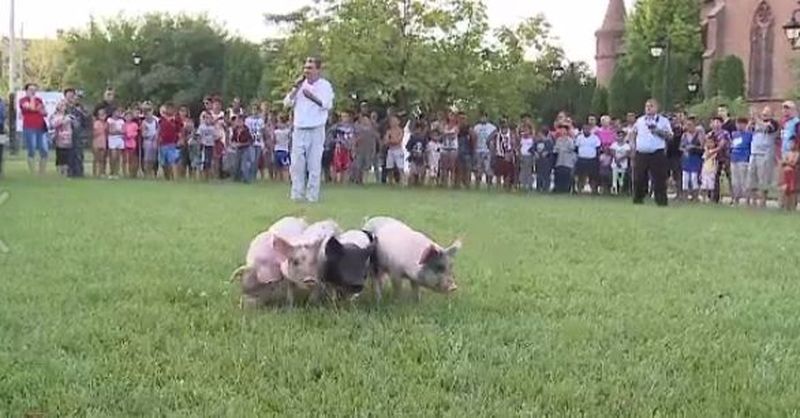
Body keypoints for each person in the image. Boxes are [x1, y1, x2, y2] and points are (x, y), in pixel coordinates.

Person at [283, 56, 334, 203]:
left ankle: (312, 196)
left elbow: (327, 105)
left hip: (316, 128)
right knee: (297, 164)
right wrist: (296, 88)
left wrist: (312, 97)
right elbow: (287, 103)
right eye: (305, 68)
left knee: (314, 164)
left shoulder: (325, 86)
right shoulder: (300, 85)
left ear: (318, 70)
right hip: (299, 128)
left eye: (310, 68)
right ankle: (297, 194)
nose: (307, 71)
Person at [632, 99, 673, 206]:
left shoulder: (663, 121)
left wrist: (658, 131)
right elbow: (633, 133)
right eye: (647, 106)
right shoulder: (640, 120)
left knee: (659, 178)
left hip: (656, 152)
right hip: (641, 152)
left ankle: (661, 201)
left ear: (656, 108)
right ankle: (638, 199)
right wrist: (633, 147)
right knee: (639, 177)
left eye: (651, 106)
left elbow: (670, 136)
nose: (648, 108)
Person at [749, 107, 780, 208]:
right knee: (752, 178)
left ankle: (763, 202)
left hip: (765, 154)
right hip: (754, 153)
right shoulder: (756, 122)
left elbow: (767, 128)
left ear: (771, 114)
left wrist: (756, 118)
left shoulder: (774, 123)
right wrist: (752, 120)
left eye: (766, 113)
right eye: (763, 113)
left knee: (764, 179)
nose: (764, 114)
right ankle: (753, 202)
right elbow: (749, 130)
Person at [20, 83, 49, 174]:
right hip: (29, 127)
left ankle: (42, 172)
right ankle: (32, 171)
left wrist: (39, 109)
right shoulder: (23, 100)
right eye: (31, 89)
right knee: (32, 149)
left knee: (44, 149)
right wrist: (34, 102)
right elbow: (31, 108)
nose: (33, 91)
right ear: (26, 91)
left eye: (34, 90)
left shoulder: (39, 100)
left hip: (41, 127)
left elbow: (45, 113)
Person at [63, 88, 88, 178]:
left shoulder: (79, 108)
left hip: (78, 133)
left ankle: (79, 172)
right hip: (66, 133)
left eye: (72, 96)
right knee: (69, 153)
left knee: (78, 153)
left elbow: (85, 120)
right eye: (68, 96)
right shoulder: (62, 107)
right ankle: (69, 172)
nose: (71, 98)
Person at [708, 116, 731, 204]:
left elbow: (722, 145)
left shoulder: (725, 133)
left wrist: (713, 151)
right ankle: (714, 197)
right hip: (713, 159)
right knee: (714, 177)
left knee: (729, 176)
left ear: (721, 124)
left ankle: (734, 197)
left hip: (724, 157)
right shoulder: (710, 134)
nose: (716, 124)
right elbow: (706, 144)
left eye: (718, 122)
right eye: (714, 122)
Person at [730, 117, 752, 206]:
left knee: (744, 181)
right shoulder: (734, 134)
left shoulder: (749, 135)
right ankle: (736, 199)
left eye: (741, 124)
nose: (739, 126)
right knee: (735, 181)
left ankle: (747, 200)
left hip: (743, 159)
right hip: (734, 158)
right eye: (738, 124)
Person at [680, 118, 703, 202]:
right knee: (685, 178)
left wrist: (694, 147)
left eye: (690, 125)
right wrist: (684, 150)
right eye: (687, 125)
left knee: (694, 177)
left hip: (695, 158)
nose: (688, 127)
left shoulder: (699, 135)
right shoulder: (684, 135)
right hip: (686, 158)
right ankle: (685, 196)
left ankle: (695, 196)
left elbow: (702, 147)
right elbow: (681, 147)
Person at [575, 123, 601, 194]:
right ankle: (579, 190)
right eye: (584, 129)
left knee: (593, 176)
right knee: (580, 176)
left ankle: (594, 191)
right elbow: (576, 148)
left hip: (592, 160)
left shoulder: (595, 138)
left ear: (590, 129)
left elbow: (598, 149)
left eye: (587, 129)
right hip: (581, 159)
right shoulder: (579, 137)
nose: (586, 130)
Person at [157, 104, 182, 180]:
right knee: (164, 163)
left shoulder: (176, 120)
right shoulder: (161, 120)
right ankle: (167, 178)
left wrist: (180, 139)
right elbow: (159, 130)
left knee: (172, 161)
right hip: (163, 144)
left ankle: (174, 178)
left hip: (172, 144)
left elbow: (179, 131)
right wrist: (158, 139)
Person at [353, 113, 379, 185]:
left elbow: (377, 138)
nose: (365, 121)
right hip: (360, 150)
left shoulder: (372, 130)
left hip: (369, 150)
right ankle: (358, 179)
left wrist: (374, 150)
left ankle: (365, 180)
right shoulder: (358, 129)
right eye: (364, 120)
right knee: (359, 165)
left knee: (367, 166)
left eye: (367, 120)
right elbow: (355, 140)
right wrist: (354, 148)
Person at [50, 101, 74, 177]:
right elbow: (53, 124)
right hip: (59, 137)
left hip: (68, 138)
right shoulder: (54, 116)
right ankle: (60, 171)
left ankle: (66, 172)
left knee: (67, 155)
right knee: (60, 154)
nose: (62, 107)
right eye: (60, 105)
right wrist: (62, 121)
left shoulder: (69, 116)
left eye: (63, 106)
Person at [473, 112, 496, 187]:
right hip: (478, 150)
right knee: (478, 168)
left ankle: (489, 184)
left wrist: (492, 148)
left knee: (487, 168)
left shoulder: (492, 127)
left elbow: (494, 137)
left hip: (487, 150)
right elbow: (474, 138)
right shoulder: (476, 127)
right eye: (482, 117)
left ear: (487, 117)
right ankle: (477, 184)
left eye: (484, 117)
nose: (483, 118)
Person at [230, 115, 255, 183]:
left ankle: (246, 179)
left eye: (240, 121)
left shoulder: (246, 130)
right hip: (238, 149)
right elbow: (233, 139)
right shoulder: (235, 130)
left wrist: (242, 144)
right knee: (237, 163)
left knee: (244, 164)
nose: (238, 123)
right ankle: (236, 178)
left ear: (243, 122)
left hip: (245, 149)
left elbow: (250, 141)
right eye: (238, 121)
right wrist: (233, 144)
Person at [332, 111, 355, 184]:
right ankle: (338, 181)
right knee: (338, 166)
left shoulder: (351, 128)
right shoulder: (336, 127)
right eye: (343, 116)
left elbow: (352, 138)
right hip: (339, 148)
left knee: (346, 166)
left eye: (346, 116)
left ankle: (344, 182)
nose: (344, 118)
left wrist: (352, 147)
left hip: (347, 149)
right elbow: (332, 137)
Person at [667, 112, 685, 200]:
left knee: (677, 175)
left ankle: (679, 193)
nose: (672, 122)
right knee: (665, 175)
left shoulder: (679, 130)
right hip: (667, 155)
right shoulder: (666, 130)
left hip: (676, 155)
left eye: (673, 120)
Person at [553, 124, 577, 194]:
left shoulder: (570, 140)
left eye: (564, 130)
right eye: (561, 130)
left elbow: (571, 148)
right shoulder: (558, 140)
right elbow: (555, 149)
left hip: (568, 161)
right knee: (559, 175)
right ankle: (559, 189)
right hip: (560, 161)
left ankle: (568, 189)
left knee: (567, 175)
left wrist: (562, 149)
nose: (562, 132)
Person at [384, 114, 405, 185]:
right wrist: (391, 141)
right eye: (391, 121)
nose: (392, 122)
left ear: (398, 122)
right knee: (389, 167)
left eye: (394, 120)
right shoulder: (389, 131)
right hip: (390, 150)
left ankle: (402, 182)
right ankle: (390, 182)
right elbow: (385, 141)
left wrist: (390, 141)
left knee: (400, 167)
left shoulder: (400, 131)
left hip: (398, 150)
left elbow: (398, 141)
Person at [196, 111, 218, 181]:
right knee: (204, 161)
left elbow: (215, 137)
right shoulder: (201, 127)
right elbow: (199, 136)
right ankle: (203, 177)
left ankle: (208, 177)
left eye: (209, 118)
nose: (208, 119)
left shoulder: (213, 128)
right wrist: (199, 145)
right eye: (206, 118)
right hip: (204, 146)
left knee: (209, 162)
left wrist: (215, 147)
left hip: (211, 146)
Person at [140, 102, 159, 178]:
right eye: (146, 111)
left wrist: (156, 137)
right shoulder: (144, 122)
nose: (148, 113)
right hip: (147, 141)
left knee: (154, 158)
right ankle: (147, 173)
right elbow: (143, 134)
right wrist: (148, 134)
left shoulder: (156, 120)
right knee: (147, 158)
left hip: (155, 141)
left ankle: (153, 173)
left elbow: (158, 130)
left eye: (149, 110)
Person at [533, 127, 554, 193]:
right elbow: (532, 149)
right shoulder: (537, 141)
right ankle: (539, 187)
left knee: (546, 175)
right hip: (539, 161)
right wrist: (535, 152)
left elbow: (552, 150)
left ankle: (546, 188)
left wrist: (547, 152)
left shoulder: (549, 142)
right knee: (539, 174)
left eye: (540, 133)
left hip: (546, 161)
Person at [405, 121, 427, 186]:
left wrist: (425, 157)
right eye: (416, 129)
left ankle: (420, 184)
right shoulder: (412, 138)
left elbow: (425, 149)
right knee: (413, 172)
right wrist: (412, 153)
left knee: (422, 172)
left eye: (419, 129)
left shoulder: (423, 138)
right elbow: (408, 147)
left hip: (421, 158)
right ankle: (411, 184)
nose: (417, 131)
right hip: (413, 158)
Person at [106, 107, 126, 179]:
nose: (119, 113)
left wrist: (117, 131)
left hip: (120, 139)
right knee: (113, 156)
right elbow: (110, 131)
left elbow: (123, 131)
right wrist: (117, 131)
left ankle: (116, 172)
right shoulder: (109, 120)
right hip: (112, 139)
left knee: (118, 157)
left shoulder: (122, 121)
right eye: (117, 111)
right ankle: (111, 171)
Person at [610, 129, 631, 195]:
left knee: (621, 178)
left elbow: (627, 154)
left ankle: (621, 191)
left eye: (622, 136)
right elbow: (612, 152)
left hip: (623, 164)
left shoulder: (627, 145)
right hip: (615, 164)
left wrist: (620, 159)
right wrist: (617, 160)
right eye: (619, 136)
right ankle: (614, 190)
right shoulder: (614, 144)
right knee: (614, 177)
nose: (620, 137)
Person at [273, 114, 293, 183]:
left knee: (285, 165)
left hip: (284, 150)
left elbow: (290, 139)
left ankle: (287, 178)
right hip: (277, 149)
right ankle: (278, 178)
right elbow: (274, 140)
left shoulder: (287, 131)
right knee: (277, 165)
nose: (278, 124)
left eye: (280, 122)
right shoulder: (276, 132)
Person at [781, 140, 799, 211]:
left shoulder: (797, 154)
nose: (791, 145)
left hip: (792, 173)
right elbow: (783, 163)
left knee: (792, 190)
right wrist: (788, 162)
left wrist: (787, 162)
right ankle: (786, 206)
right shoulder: (787, 153)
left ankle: (793, 206)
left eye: (793, 143)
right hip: (786, 172)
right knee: (786, 189)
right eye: (790, 143)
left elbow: (794, 163)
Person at [517, 124, 535, 191]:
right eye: (524, 130)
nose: (525, 131)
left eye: (527, 130)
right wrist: (519, 155)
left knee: (529, 171)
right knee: (523, 170)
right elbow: (519, 147)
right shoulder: (521, 138)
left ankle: (529, 184)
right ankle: (523, 184)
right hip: (523, 156)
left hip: (529, 156)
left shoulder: (532, 138)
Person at [92, 108, 109, 178]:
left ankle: (101, 172)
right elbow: (94, 133)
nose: (102, 116)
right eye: (101, 115)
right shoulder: (96, 123)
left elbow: (107, 133)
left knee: (102, 158)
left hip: (103, 141)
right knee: (96, 158)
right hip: (97, 141)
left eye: (103, 115)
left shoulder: (106, 123)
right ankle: (95, 172)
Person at [701, 137, 718, 203]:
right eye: (708, 142)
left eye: (711, 142)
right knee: (704, 185)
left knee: (711, 186)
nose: (709, 144)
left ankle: (711, 199)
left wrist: (706, 148)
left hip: (712, 171)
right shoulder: (705, 152)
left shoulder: (715, 152)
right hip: (705, 170)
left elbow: (709, 155)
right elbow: (705, 157)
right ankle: (704, 199)